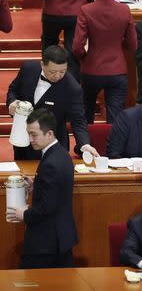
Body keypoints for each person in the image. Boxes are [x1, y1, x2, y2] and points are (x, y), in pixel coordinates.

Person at [6, 109, 78, 269]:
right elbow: (57, 190)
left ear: (49, 134)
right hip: (60, 237)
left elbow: (47, 206)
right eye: (28, 134)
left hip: (46, 243)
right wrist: (37, 184)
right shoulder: (61, 154)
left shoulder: (51, 162)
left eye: (34, 134)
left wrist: (23, 214)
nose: (30, 139)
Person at [6, 45, 98, 160]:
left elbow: (78, 120)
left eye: (62, 71)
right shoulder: (28, 68)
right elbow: (13, 89)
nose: (58, 76)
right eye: (53, 72)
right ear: (42, 65)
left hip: (52, 145)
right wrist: (12, 102)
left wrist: (85, 145)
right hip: (23, 139)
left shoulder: (72, 88)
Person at [73, 0, 138, 124]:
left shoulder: (86, 10)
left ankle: (86, 145)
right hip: (117, 69)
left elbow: (77, 46)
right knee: (115, 118)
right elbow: (133, 45)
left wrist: (84, 57)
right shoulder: (124, 10)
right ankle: (114, 148)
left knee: (86, 113)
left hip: (92, 68)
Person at [36, 0, 94, 81]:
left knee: (48, 48)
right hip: (77, 9)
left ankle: (47, 84)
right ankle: (71, 90)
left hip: (53, 8)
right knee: (73, 53)